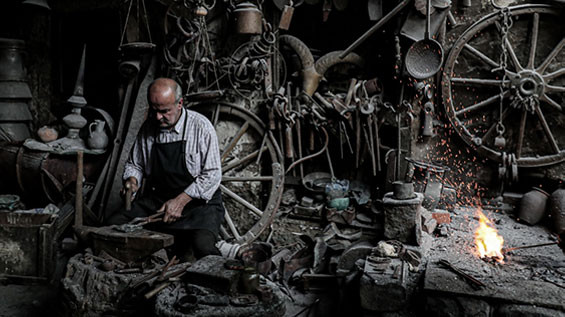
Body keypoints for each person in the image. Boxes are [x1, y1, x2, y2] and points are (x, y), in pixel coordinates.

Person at [107, 78, 224, 260]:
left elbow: (212, 174)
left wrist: (180, 201)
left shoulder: (200, 127)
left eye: (164, 111)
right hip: (159, 201)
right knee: (112, 226)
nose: (157, 117)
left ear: (179, 104)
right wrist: (132, 180)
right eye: (153, 111)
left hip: (197, 206)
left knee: (203, 248)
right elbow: (135, 164)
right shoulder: (149, 127)